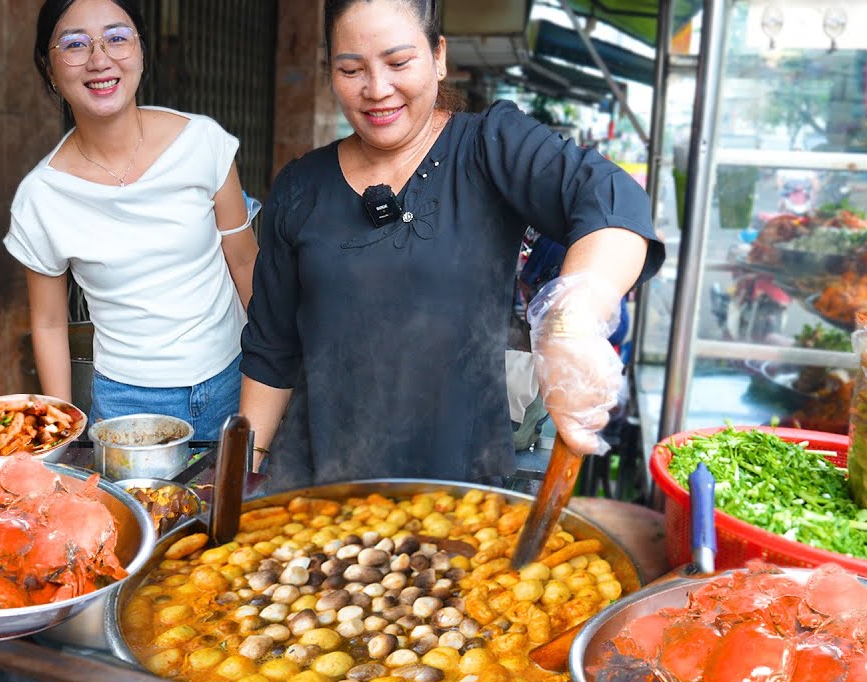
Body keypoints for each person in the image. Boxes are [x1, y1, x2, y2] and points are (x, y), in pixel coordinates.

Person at [239, 0, 663, 488]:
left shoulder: (489, 147)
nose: (377, 89)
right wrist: (246, 471)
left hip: (460, 486)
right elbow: (271, 350)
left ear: (438, 56)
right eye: (351, 69)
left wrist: (573, 320)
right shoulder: (299, 187)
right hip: (316, 484)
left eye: (398, 63)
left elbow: (612, 199)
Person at [5, 0, 258, 441]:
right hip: (126, 402)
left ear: (141, 50)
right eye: (75, 44)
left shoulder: (202, 143)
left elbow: (244, 262)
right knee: (138, 512)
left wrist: (272, 368)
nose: (100, 59)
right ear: (49, 68)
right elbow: (47, 322)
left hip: (232, 377)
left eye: (117, 38)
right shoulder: (41, 198)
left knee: (237, 509)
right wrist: (61, 432)